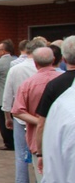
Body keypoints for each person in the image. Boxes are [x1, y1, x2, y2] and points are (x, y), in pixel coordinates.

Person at [2, 38, 46, 183]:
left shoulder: (15, 69)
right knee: (40, 154)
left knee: (20, 155)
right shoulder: (48, 70)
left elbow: (8, 95)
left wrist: (8, 116)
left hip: (21, 116)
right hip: (43, 118)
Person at [11, 46, 60, 183]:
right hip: (63, 137)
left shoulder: (28, 84)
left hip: (39, 140)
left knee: (42, 182)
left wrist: (39, 121)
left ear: (35, 63)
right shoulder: (65, 81)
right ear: (54, 60)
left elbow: (17, 111)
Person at [35, 35, 75, 173]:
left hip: (62, 145)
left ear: (63, 59)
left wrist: (40, 153)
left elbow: (41, 123)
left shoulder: (53, 85)